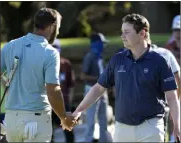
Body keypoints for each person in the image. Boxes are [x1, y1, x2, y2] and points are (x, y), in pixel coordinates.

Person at [65, 13, 180, 142]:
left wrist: (177, 126)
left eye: (126, 32)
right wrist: (79, 110)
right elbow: (98, 88)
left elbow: (172, 97)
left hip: (151, 127)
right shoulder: (117, 60)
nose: (122, 36)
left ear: (142, 33)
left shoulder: (160, 61)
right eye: (122, 32)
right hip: (122, 129)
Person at [0, 8, 76, 142]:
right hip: (36, 119)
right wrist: (64, 118)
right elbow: (52, 90)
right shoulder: (50, 53)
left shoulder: (10, 46)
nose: (57, 32)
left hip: (11, 120)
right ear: (52, 26)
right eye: (58, 27)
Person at [80, 33, 112, 142]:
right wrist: (99, 78)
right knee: (91, 121)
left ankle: (104, 140)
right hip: (92, 91)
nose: (103, 45)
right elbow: (83, 76)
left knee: (104, 120)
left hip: (103, 91)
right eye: (102, 43)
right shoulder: (89, 57)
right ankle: (88, 140)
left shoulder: (101, 57)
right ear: (96, 44)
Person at [51, 39, 75, 143]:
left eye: (56, 47)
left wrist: (69, 101)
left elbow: (71, 84)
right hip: (49, 103)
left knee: (68, 130)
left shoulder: (66, 64)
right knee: (48, 131)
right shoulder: (45, 64)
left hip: (64, 102)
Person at [165, 15, 181, 142]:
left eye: (180, 30)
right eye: (176, 30)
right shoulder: (168, 48)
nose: (178, 33)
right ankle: (172, 138)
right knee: (173, 113)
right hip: (175, 87)